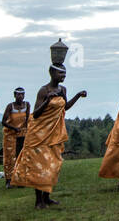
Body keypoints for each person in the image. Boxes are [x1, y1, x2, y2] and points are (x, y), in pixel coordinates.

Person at [10, 65, 86, 208]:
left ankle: (47, 197)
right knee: (40, 166)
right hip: (40, 134)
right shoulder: (44, 90)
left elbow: (65, 107)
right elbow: (36, 114)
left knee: (52, 165)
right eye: (60, 73)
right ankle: (39, 201)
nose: (63, 75)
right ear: (51, 73)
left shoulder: (62, 90)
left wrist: (78, 96)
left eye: (65, 73)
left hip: (54, 134)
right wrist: (46, 101)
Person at [1, 87, 30, 188]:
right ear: (14, 95)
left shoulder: (27, 105)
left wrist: (26, 130)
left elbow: (27, 119)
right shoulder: (10, 106)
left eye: (22, 94)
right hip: (10, 134)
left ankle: (20, 179)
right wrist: (13, 128)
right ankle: (9, 180)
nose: (20, 96)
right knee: (10, 157)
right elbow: (3, 121)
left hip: (22, 133)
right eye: (18, 94)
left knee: (21, 156)